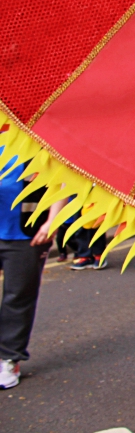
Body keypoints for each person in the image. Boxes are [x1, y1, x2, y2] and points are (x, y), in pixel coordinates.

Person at [0, 156, 63, 389]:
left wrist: (52, 221)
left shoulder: (34, 142)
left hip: (25, 235)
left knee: (18, 296)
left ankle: (9, 358)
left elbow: (61, 181)